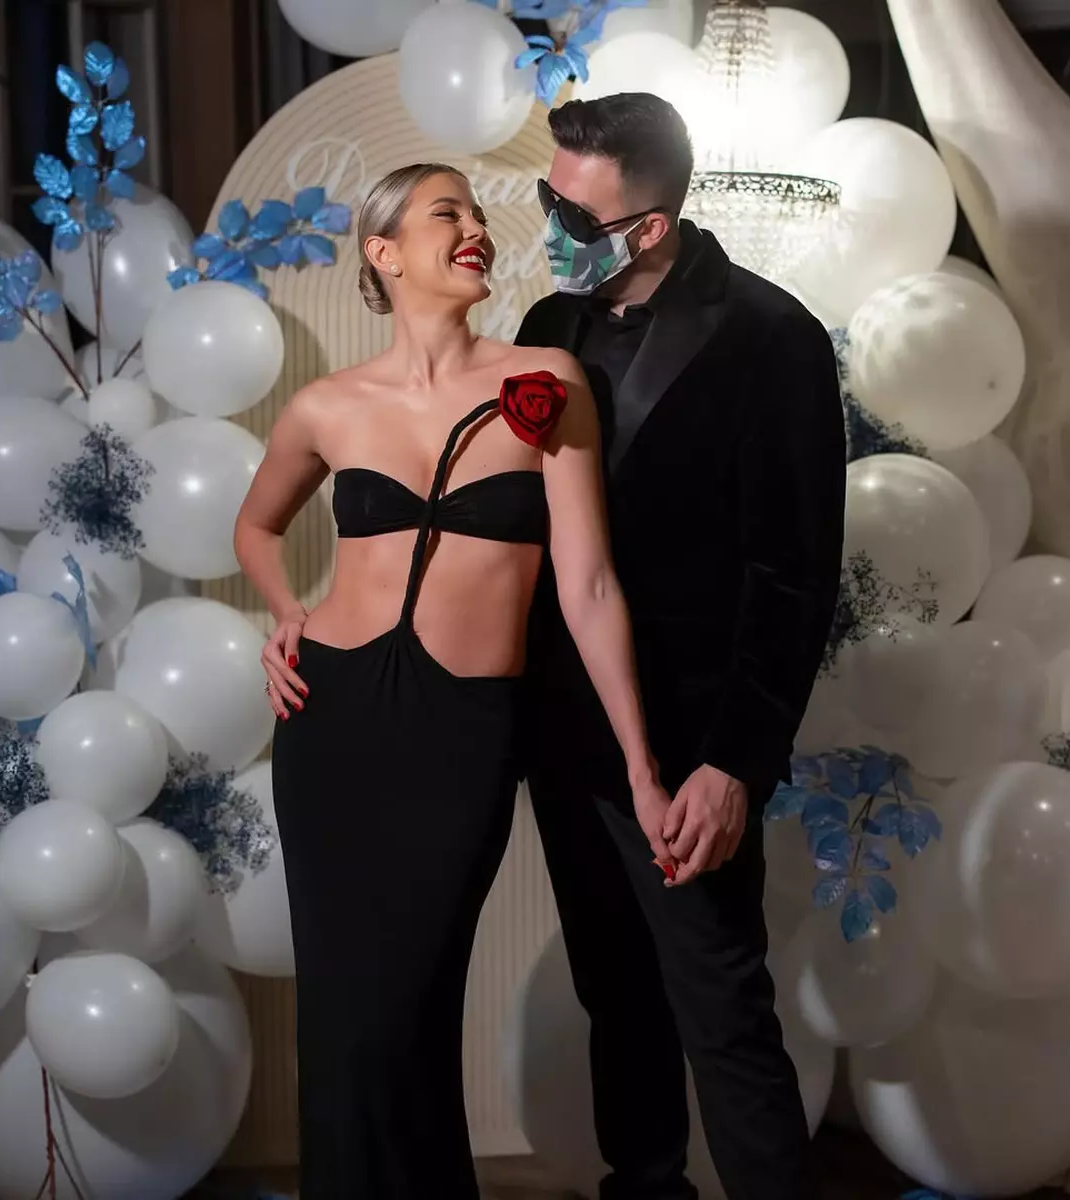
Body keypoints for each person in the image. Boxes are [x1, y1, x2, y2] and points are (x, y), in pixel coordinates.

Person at [233, 161, 674, 1200]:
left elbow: (590, 585)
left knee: (409, 1004)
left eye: (478, 214)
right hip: (333, 721)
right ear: (385, 253)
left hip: (464, 731)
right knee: (344, 1017)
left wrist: (643, 767)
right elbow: (255, 528)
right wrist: (288, 614)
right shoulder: (328, 406)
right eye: (448, 215)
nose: (476, 228)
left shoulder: (546, 380)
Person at [517, 93, 847, 1200]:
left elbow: (794, 576)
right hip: (565, 733)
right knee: (615, 994)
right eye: (548, 197)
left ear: (649, 225)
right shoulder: (546, 326)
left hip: (694, 743)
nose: (550, 225)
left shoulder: (772, 336)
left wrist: (734, 763)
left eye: (574, 214)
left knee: (722, 1007)